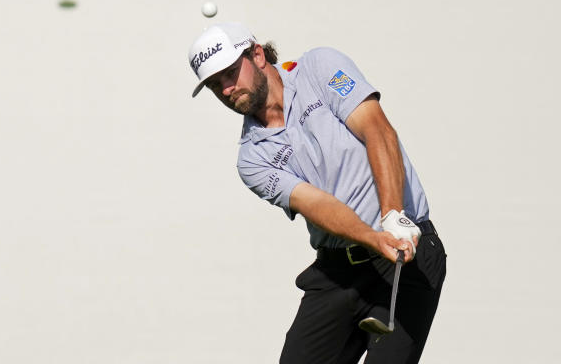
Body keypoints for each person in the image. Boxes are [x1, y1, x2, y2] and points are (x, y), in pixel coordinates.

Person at [188, 23, 445, 364]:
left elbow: (377, 129)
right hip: (337, 272)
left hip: (405, 257)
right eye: (215, 85)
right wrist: (372, 236)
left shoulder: (319, 69)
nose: (227, 88)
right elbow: (317, 205)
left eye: (231, 73)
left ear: (258, 55)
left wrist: (392, 216)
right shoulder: (252, 158)